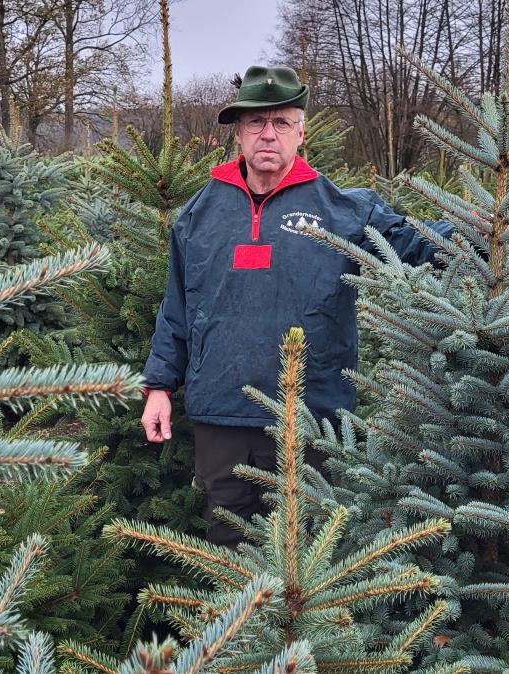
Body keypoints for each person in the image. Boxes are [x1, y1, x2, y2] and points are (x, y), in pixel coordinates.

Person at [141, 65, 451, 545]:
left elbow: (417, 246)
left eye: (282, 122)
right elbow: (177, 308)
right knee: (228, 545)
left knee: (308, 550)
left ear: (300, 132)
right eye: (255, 123)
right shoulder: (199, 215)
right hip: (222, 413)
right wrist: (159, 386)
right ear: (238, 133)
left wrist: (483, 232)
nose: (268, 134)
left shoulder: (344, 209)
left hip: (311, 413)